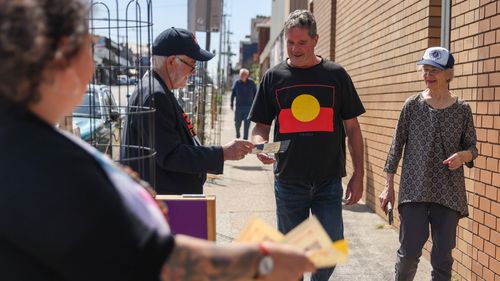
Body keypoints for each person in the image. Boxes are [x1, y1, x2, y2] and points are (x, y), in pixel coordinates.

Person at [0, 1, 316, 280]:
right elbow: (155, 261)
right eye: (90, 42)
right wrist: (260, 264)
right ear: (60, 53)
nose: (95, 59)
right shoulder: (38, 160)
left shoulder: (28, 137)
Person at [249, 10, 365, 281]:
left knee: (332, 247)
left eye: (302, 43)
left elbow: (352, 128)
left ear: (316, 40)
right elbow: (260, 127)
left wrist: (359, 174)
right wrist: (259, 146)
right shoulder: (274, 77)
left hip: (328, 181)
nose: (295, 49)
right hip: (289, 181)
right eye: (290, 43)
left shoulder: (335, 75)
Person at [379, 47, 478, 281]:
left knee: (443, 260)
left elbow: (473, 148)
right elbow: (395, 148)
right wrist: (388, 185)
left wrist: (463, 156)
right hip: (414, 192)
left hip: (449, 194)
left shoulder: (462, 110)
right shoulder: (412, 105)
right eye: (425, 70)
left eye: (434, 70)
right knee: (408, 257)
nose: (428, 75)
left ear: (448, 74)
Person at [122, 27, 254, 195]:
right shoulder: (155, 95)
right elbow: (172, 155)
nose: (193, 72)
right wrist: (223, 153)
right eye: (191, 64)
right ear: (171, 61)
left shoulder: (156, 89)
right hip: (166, 204)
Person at [231, 68, 256, 139]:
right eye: (241, 75)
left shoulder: (252, 83)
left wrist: (255, 106)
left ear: (247, 75)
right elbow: (233, 94)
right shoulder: (237, 83)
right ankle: (238, 133)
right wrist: (231, 104)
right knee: (237, 123)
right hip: (239, 107)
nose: (241, 76)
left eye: (243, 75)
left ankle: (245, 139)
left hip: (249, 108)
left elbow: (255, 94)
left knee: (247, 125)